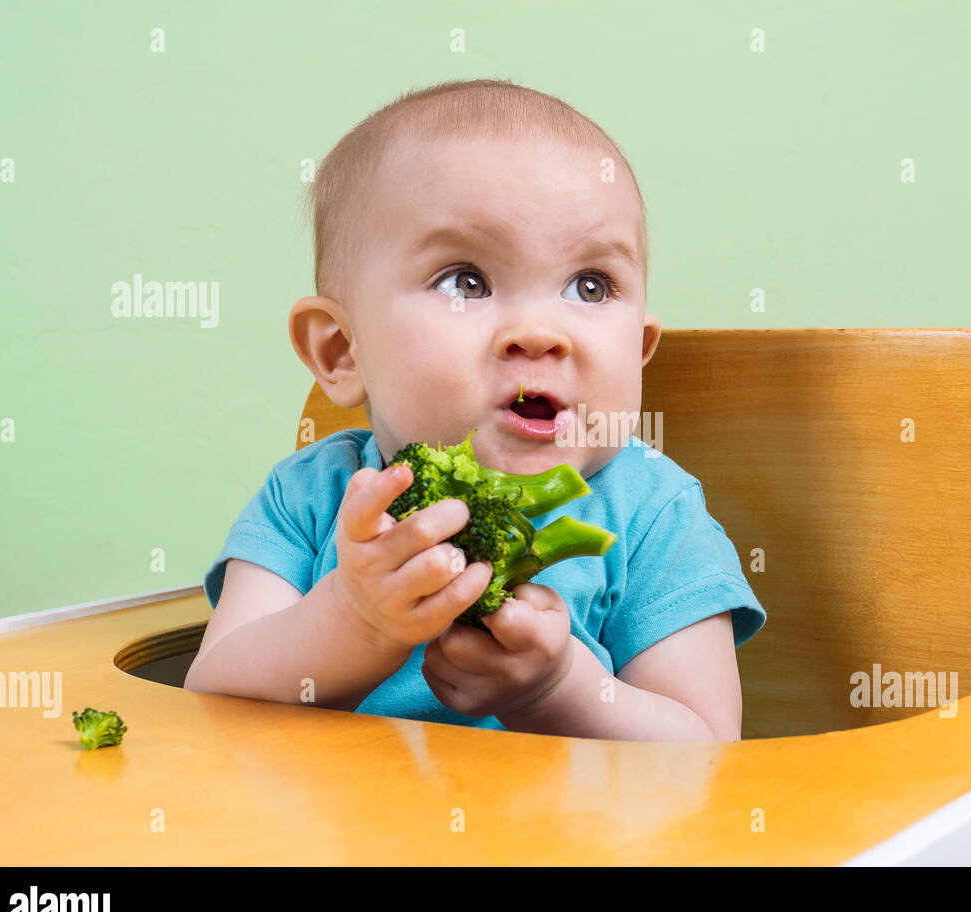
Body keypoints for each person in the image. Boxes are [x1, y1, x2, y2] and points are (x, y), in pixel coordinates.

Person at [187, 79, 766, 741]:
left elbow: (707, 749)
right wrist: (355, 620)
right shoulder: (310, 498)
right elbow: (213, 693)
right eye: (467, 281)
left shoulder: (654, 513)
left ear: (639, 350)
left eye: (590, 285)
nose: (541, 331)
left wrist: (559, 689)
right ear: (342, 350)